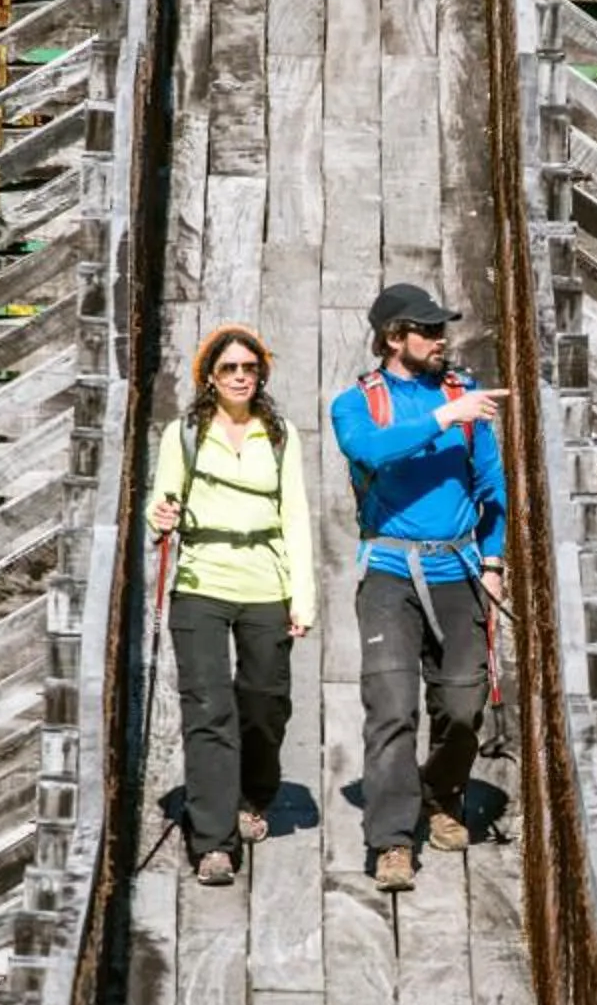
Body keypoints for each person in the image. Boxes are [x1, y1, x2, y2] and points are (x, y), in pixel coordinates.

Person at [329, 282, 508, 892]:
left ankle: (439, 792)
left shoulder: (465, 399)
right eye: (428, 331)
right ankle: (392, 842)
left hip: (458, 570)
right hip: (388, 574)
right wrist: (442, 417)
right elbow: (369, 451)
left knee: (463, 707)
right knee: (391, 709)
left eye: (442, 330)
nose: (441, 340)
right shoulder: (358, 404)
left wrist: (493, 559)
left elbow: (493, 490)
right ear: (392, 338)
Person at [148, 324, 315, 886]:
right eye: (229, 369)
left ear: (260, 373)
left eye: (248, 368)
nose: (240, 377)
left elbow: (295, 515)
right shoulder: (186, 433)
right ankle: (213, 843)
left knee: (267, 702)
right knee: (207, 709)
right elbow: (162, 498)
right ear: (210, 378)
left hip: (266, 581)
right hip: (201, 580)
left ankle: (255, 792)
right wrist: (160, 516)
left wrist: (303, 595)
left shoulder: (282, 435)